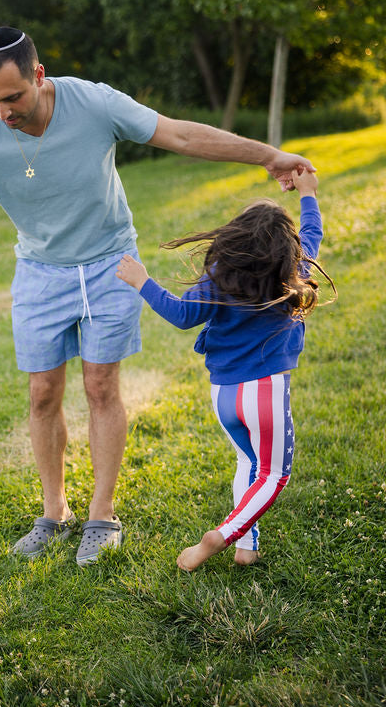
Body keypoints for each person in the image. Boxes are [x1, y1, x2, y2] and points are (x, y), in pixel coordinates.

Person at [0, 25, 316, 567]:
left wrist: (269, 156)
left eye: (13, 97)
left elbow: (180, 136)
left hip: (109, 262)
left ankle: (102, 515)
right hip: (40, 271)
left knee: (101, 386)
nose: (3, 111)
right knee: (42, 394)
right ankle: (54, 514)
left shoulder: (92, 102)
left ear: (38, 76)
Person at [116, 167, 334, 570]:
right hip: (264, 392)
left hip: (224, 394)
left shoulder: (220, 277)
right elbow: (313, 234)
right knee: (273, 474)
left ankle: (246, 548)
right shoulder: (292, 273)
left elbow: (182, 315)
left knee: (247, 463)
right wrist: (308, 194)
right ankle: (219, 537)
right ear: (288, 251)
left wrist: (144, 281)